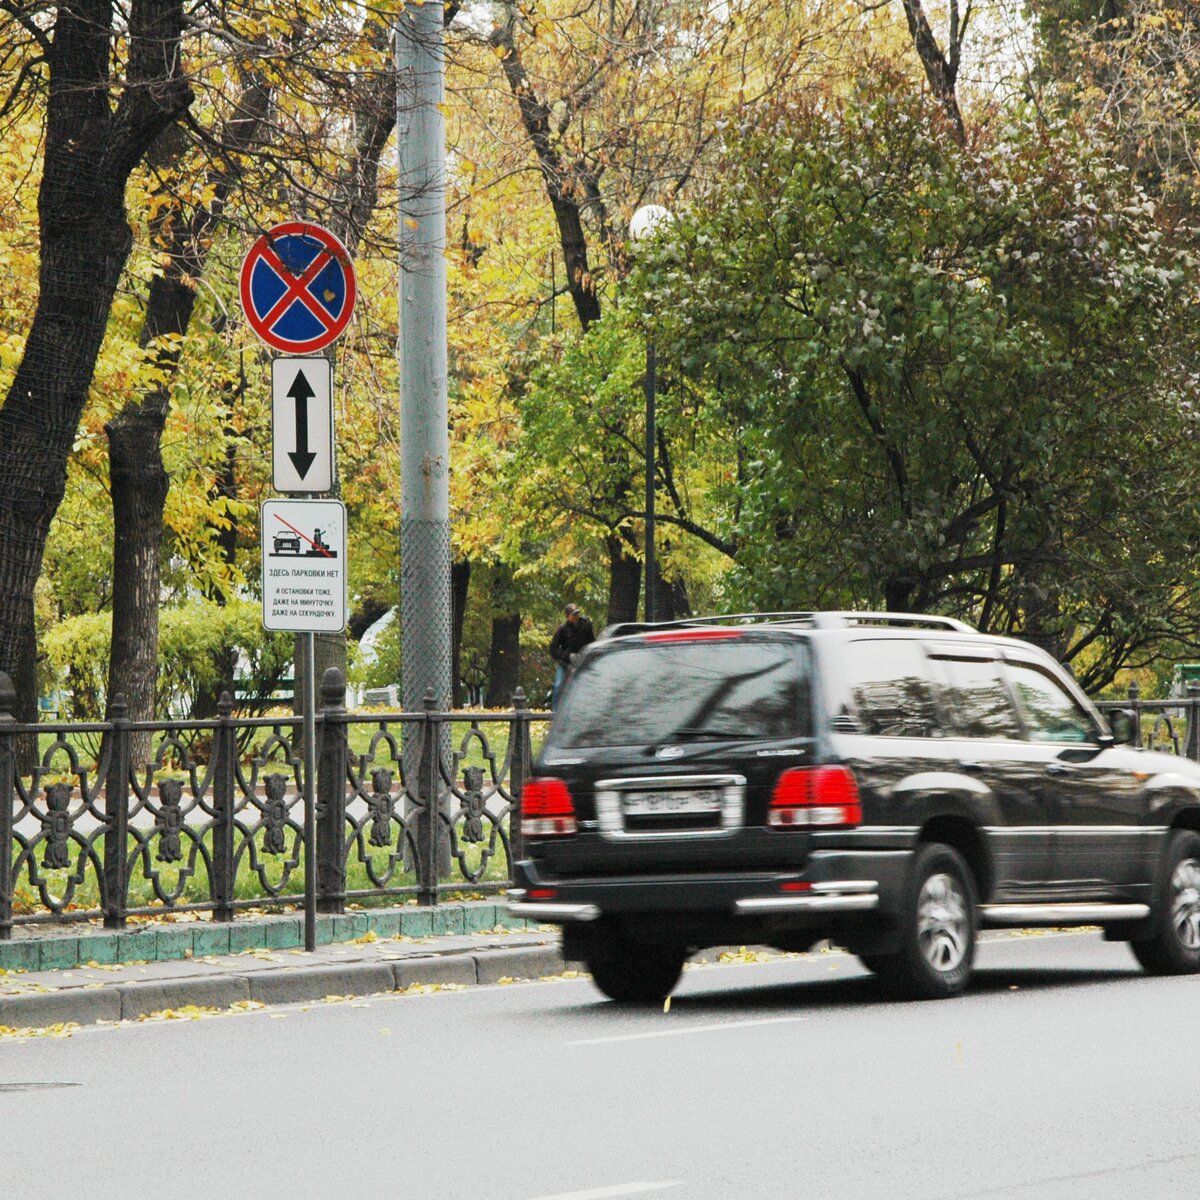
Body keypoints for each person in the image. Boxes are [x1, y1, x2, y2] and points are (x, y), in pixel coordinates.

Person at [549, 603, 595, 708]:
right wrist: (567, 656)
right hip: (566, 664)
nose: (576, 616)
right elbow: (553, 649)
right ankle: (555, 714)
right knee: (558, 686)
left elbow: (592, 643)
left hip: (582, 663)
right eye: (573, 614)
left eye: (577, 614)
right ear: (567, 616)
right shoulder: (562, 629)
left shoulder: (586, 626)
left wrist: (585, 655)